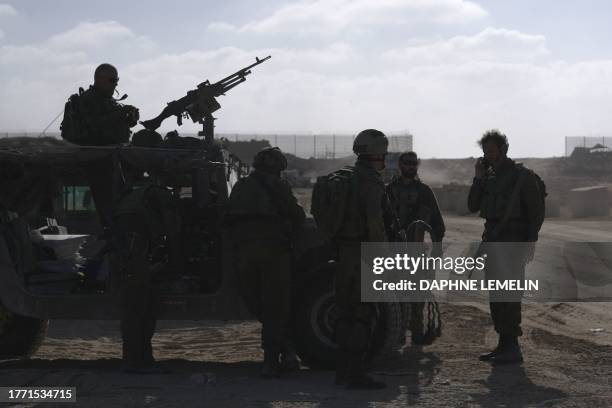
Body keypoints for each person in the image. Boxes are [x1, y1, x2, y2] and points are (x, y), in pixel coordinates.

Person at [225, 147, 306, 378]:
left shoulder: (240, 186)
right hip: (273, 253)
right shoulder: (277, 186)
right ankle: (272, 360)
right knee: (275, 308)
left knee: (259, 305)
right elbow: (297, 216)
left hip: (244, 254)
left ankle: (285, 351)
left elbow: (228, 218)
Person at [468, 129, 544, 365]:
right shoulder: (488, 177)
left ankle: (512, 347)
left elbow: (536, 211)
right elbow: (472, 206)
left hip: (513, 241)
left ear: (504, 150)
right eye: (486, 152)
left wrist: (530, 241)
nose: (489, 155)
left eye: (492, 151)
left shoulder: (522, 176)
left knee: (509, 294)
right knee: (496, 294)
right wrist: (478, 178)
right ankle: (504, 344)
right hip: (493, 241)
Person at [112, 163, 182, 374]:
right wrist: (177, 261)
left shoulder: (135, 193)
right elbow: (173, 232)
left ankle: (142, 357)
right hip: (135, 253)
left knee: (144, 307)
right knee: (136, 309)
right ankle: (133, 361)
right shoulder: (161, 195)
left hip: (130, 253)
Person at [333, 129, 388, 390]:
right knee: (363, 313)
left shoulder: (346, 177)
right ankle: (355, 373)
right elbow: (375, 224)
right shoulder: (370, 182)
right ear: (376, 152)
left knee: (345, 312)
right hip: (364, 254)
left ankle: (342, 370)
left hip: (344, 254)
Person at [60, 63, 140, 228]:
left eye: (116, 80)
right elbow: (95, 125)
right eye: (112, 80)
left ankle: (107, 229)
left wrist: (129, 118)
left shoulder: (108, 102)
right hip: (88, 158)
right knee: (84, 213)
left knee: (110, 201)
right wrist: (120, 113)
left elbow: (114, 127)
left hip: (107, 157)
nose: (115, 84)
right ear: (99, 79)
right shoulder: (87, 100)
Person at [385, 151, 445, 345]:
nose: (410, 166)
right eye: (407, 163)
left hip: (416, 252)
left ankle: (417, 334)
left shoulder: (425, 192)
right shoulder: (388, 191)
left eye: (413, 163)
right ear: (400, 165)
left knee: (417, 295)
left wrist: (437, 249)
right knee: (396, 295)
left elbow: (437, 224)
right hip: (393, 251)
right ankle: (399, 334)